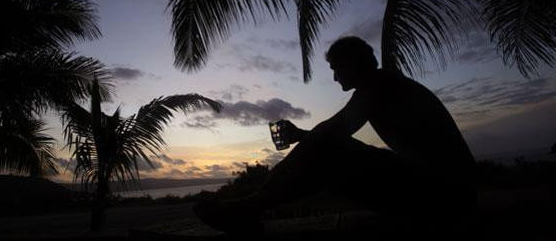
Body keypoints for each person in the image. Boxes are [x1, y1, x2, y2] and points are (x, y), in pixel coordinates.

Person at [193, 36, 477, 233]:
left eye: (335, 68)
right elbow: (334, 134)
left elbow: (332, 133)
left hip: (444, 195)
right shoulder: (382, 84)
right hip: (446, 190)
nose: (334, 77)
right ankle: (252, 207)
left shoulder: (377, 85)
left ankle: (250, 208)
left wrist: (301, 141)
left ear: (352, 63)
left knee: (327, 150)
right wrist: (304, 135)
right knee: (328, 146)